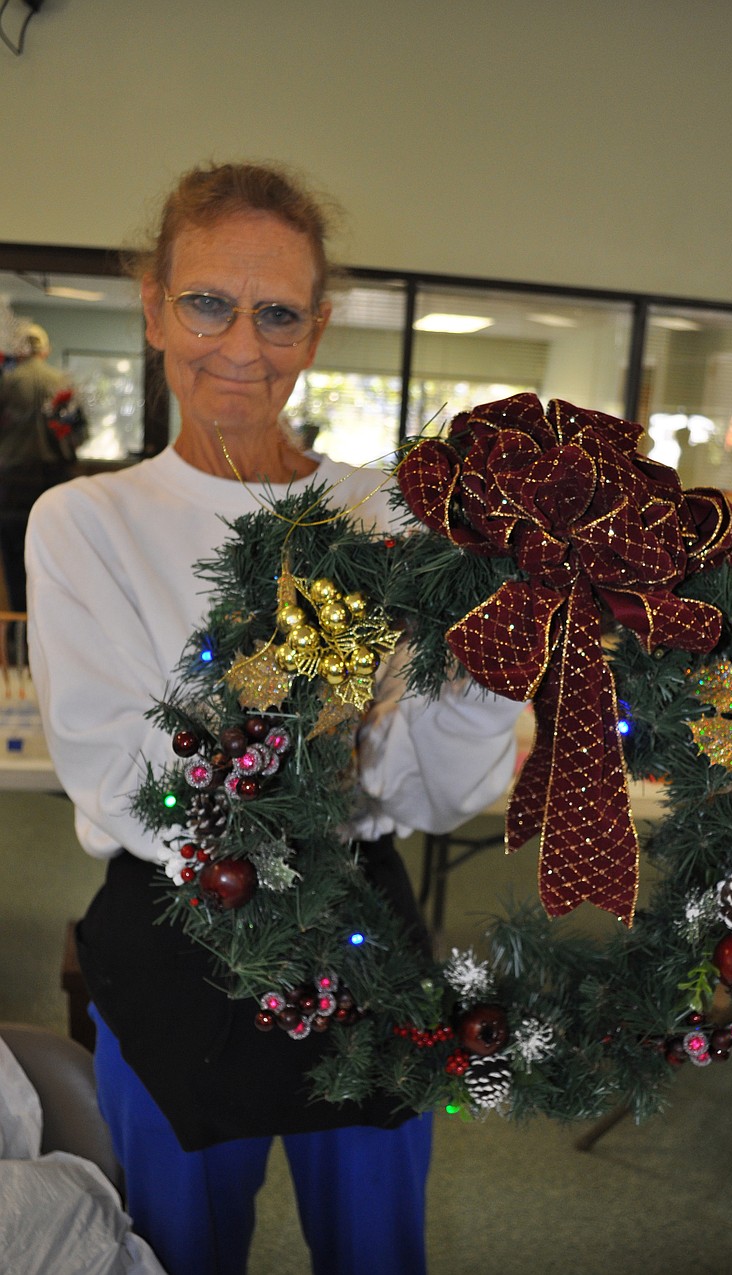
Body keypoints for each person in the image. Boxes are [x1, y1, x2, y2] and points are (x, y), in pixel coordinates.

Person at [25, 162, 523, 1275]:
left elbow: (427, 792)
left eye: (278, 312)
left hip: (363, 933)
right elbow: (122, 783)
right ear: (153, 306)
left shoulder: (386, 514)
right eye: (207, 301)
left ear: (317, 328)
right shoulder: (85, 522)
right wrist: (307, 678)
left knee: (378, 1253)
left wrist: (496, 663)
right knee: (179, 1251)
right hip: (180, 942)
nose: (240, 344)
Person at [0, 322, 83, 611]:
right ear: (45, 350)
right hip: (55, 479)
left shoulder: (6, 383)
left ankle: (18, 640)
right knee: (54, 561)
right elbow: (80, 433)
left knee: (15, 563)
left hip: (12, 484)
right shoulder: (62, 382)